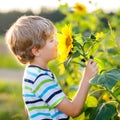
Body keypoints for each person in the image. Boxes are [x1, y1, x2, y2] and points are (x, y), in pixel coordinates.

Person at [5, 15, 98, 120]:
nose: (57, 42)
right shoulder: (40, 78)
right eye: (51, 40)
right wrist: (87, 78)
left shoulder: (33, 72)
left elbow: (31, 109)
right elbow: (74, 110)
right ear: (36, 51)